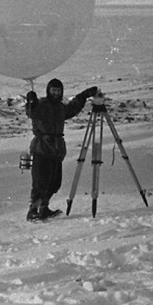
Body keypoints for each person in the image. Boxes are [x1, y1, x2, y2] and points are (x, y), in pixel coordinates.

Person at [24, 78, 98, 221]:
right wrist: (31, 102)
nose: (56, 93)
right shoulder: (42, 104)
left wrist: (83, 95)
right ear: (48, 90)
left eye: (58, 91)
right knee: (40, 181)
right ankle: (33, 210)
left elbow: (72, 109)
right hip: (42, 148)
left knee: (54, 182)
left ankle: (44, 208)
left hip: (56, 149)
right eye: (53, 90)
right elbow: (31, 113)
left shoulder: (59, 107)